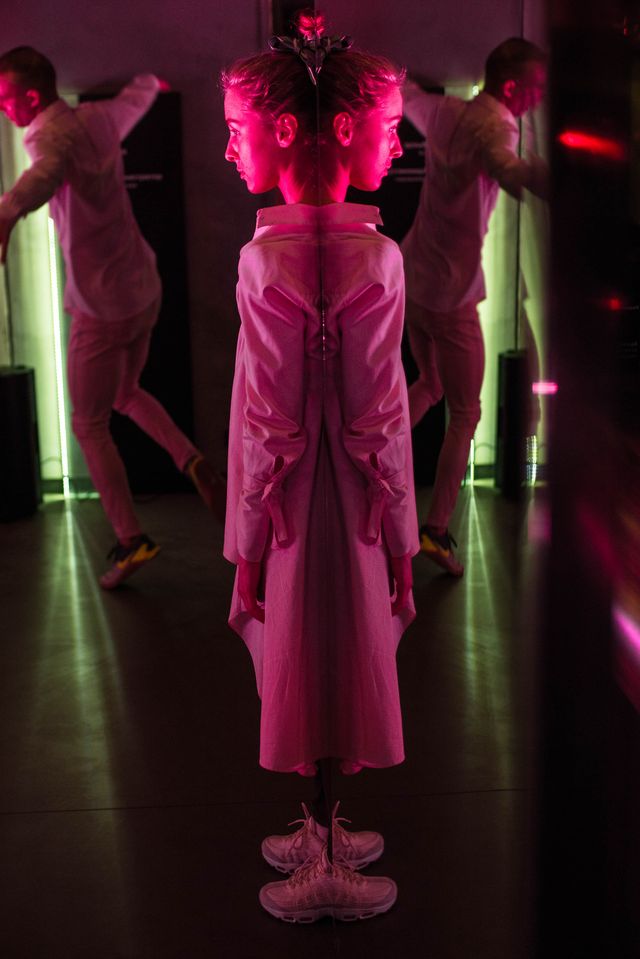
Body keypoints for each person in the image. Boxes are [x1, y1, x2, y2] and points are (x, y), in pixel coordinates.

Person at [221, 13, 419, 923]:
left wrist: (251, 537)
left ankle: (328, 848)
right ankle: (326, 835)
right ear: (340, 128)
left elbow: (269, 419)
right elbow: (381, 414)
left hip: (299, 510)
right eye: (391, 128)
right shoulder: (371, 255)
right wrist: (400, 527)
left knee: (310, 655)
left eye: (236, 130)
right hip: (349, 503)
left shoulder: (271, 259)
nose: (230, 149)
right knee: (336, 653)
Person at [0, 46, 224, 588]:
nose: (4, 108)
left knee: (87, 424)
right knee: (125, 391)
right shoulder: (99, 118)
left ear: (32, 96)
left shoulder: (49, 138)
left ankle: (131, 538)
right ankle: (190, 458)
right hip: (143, 290)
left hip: (100, 308)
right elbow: (139, 94)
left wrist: (5, 214)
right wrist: (153, 81)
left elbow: (43, 177)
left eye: (6, 99)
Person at [401, 37, 548, 576]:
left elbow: (404, 95)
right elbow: (508, 169)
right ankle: (435, 530)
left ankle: (366, 454)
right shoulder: (497, 127)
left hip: (413, 283)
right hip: (452, 295)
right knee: (467, 413)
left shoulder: (445, 112)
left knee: (429, 384)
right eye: (535, 88)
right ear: (511, 87)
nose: (538, 98)